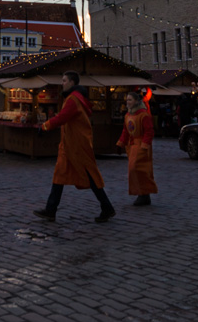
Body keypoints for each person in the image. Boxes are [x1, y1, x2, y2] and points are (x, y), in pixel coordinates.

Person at [34, 71, 115, 223]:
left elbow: (63, 117)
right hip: (70, 144)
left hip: (77, 144)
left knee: (89, 175)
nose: (62, 83)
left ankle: (107, 207)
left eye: (64, 80)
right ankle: (50, 209)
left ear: (72, 82)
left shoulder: (73, 99)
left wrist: (45, 126)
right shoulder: (74, 98)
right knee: (59, 174)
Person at [117, 91, 157, 206]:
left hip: (141, 145)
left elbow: (149, 131)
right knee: (133, 169)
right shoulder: (128, 115)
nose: (127, 102)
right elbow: (125, 131)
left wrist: (145, 145)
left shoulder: (144, 115)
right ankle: (141, 193)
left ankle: (145, 193)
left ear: (136, 101)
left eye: (130, 100)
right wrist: (120, 144)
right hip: (132, 145)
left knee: (139, 169)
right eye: (127, 100)